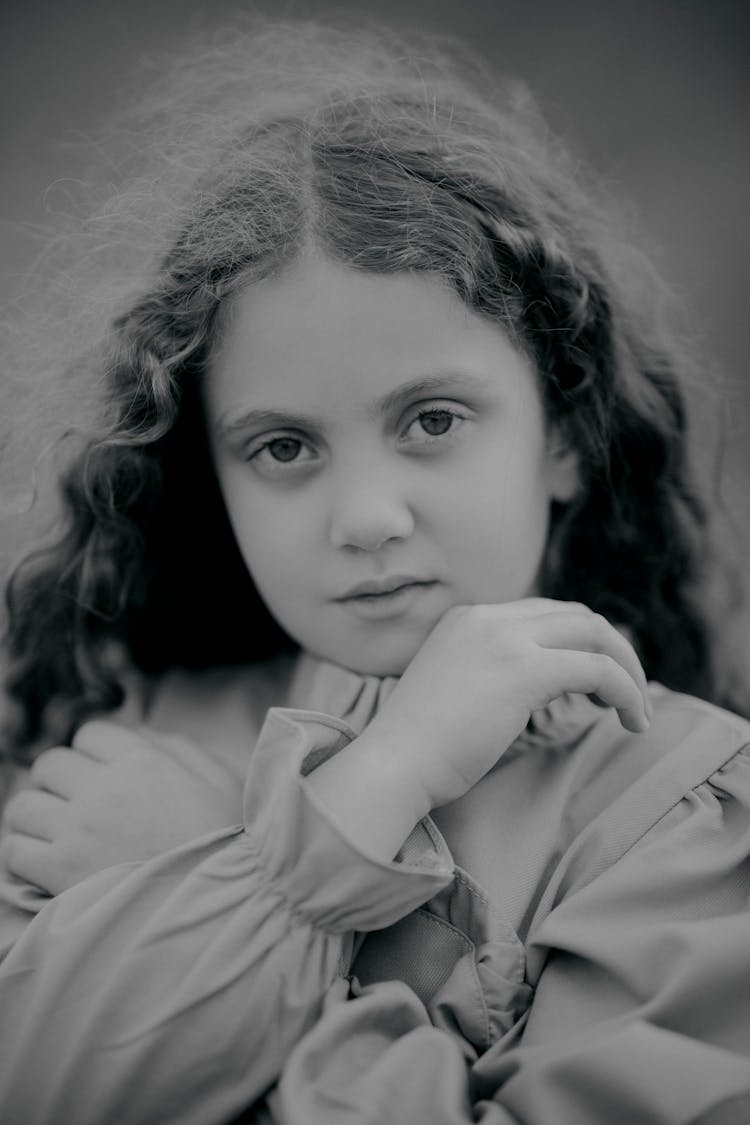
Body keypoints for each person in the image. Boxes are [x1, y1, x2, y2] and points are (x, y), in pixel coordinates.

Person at [0, 17, 749, 1124]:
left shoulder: (673, 810)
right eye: (284, 448)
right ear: (213, 476)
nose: (366, 517)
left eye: (432, 420)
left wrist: (246, 875)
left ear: (565, 436)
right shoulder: (129, 726)